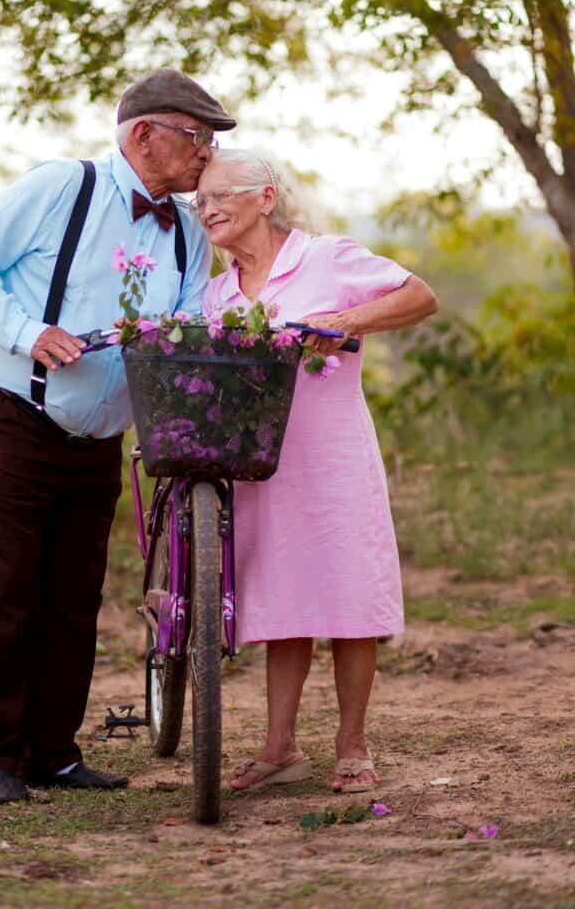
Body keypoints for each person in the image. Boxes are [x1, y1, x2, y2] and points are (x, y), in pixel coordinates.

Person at [0, 69, 236, 802]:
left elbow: (188, 324)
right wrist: (27, 331)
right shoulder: (61, 187)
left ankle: (54, 753)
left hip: (101, 439)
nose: (206, 156)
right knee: (0, 588)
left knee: (74, 595)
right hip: (15, 417)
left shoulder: (188, 233)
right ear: (143, 134)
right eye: (196, 138)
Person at [197, 149, 438, 794]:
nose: (208, 209)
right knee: (284, 601)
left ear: (265, 198)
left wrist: (346, 321)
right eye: (200, 202)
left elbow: (419, 296)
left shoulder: (326, 258)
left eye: (221, 196)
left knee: (350, 599)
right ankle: (279, 749)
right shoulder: (218, 293)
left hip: (332, 458)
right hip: (261, 467)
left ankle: (352, 746)